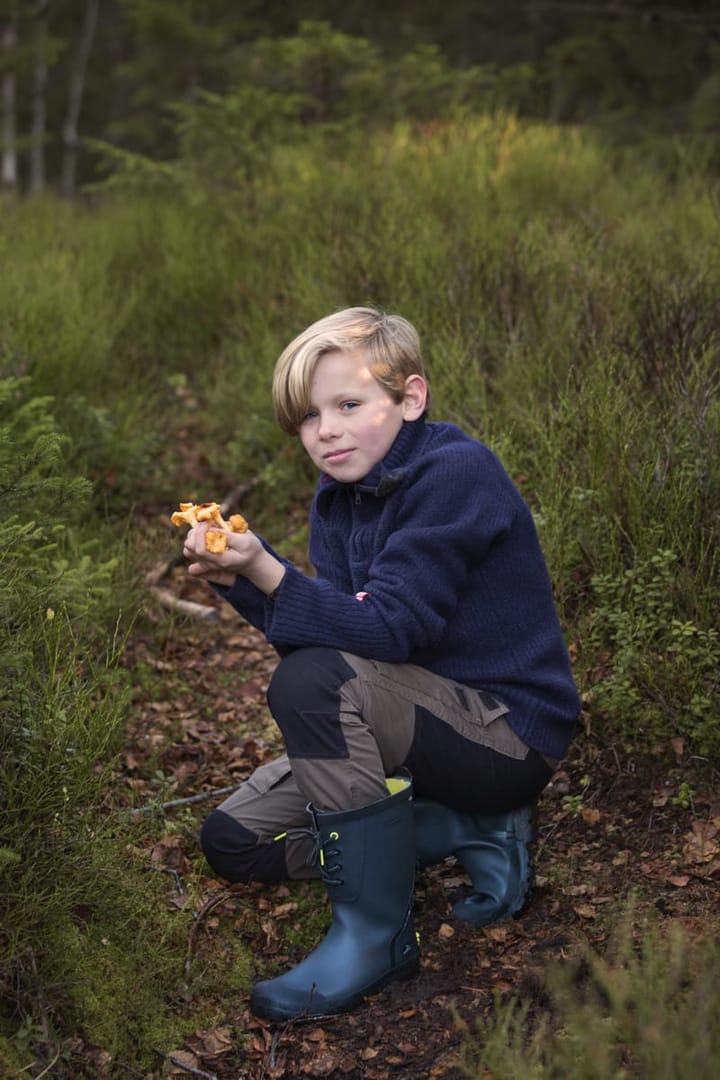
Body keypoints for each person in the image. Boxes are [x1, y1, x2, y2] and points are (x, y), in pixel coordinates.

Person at [181, 307, 580, 1021]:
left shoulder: (455, 473)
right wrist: (242, 581)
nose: (325, 430)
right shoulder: (337, 502)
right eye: (308, 417)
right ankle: (470, 830)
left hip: (505, 732)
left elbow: (388, 631)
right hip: (418, 723)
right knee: (236, 841)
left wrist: (270, 573)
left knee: (310, 683)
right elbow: (334, 644)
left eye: (348, 404)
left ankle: (376, 936)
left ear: (411, 398)